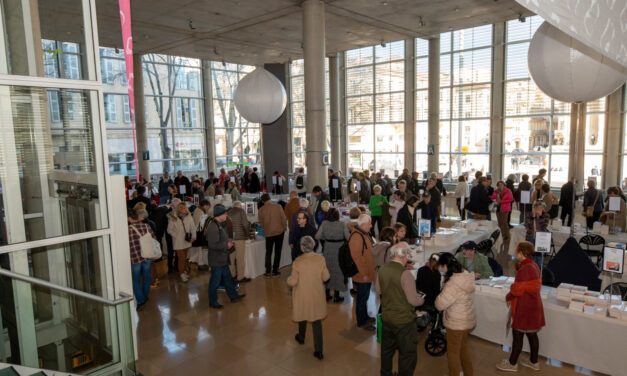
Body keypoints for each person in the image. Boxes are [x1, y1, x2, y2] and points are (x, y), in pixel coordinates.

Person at [376, 242, 425, 376]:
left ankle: (385, 373)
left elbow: (378, 290)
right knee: (407, 354)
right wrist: (422, 299)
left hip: (387, 317)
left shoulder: (382, 269)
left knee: (386, 351)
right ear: (404, 256)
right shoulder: (406, 274)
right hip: (404, 321)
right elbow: (413, 300)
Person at [496, 241, 545, 372]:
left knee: (517, 336)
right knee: (532, 335)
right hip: (533, 305)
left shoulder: (524, 269)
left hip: (524, 307)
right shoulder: (533, 265)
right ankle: (534, 362)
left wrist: (508, 296)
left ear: (522, 253)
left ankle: (512, 364)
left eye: (517, 250)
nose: (515, 253)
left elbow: (516, 290)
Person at [288, 236, 330, 360]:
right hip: (316, 295)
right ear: (313, 245)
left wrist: (288, 279)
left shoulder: (297, 262)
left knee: (302, 315)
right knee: (316, 322)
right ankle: (319, 351)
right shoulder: (320, 259)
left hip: (302, 296)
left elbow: (293, 282)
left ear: (302, 247)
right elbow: (326, 277)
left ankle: (301, 337)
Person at [435, 252, 476, 376]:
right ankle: (469, 373)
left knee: (453, 352)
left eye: (441, 266)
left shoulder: (453, 283)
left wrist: (437, 298)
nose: (440, 269)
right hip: (467, 319)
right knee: (463, 349)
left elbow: (440, 304)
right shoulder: (465, 275)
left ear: (446, 266)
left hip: (456, 323)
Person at [206, 204, 245, 309]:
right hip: (217, 259)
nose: (226, 215)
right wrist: (226, 245)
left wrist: (227, 241)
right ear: (219, 214)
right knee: (215, 282)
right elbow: (212, 245)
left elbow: (220, 239)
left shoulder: (219, 223)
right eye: (225, 213)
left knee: (228, 279)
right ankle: (213, 301)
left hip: (222, 258)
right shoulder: (213, 227)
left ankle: (233, 296)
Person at [316, 208, 350, 302]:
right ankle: (336, 295)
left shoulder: (324, 223)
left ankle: (327, 294)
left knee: (328, 269)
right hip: (339, 248)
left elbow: (317, 236)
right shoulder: (342, 224)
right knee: (338, 270)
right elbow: (348, 237)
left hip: (328, 248)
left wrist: (326, 238)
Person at [349, 214, 376, 330]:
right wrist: (364, 273)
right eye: (370, 224)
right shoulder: (356, 237)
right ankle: (362, 321)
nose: (371, 226)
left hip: (367, 273)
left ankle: (365, 316)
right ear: (364, 225)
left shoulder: (363, 233)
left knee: (364, 297)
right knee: (361, 298)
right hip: (362, 274)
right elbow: (357, 258)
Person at [127, 208, 157, 310]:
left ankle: (141, 299)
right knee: (146, 277)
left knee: (135, 280)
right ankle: (145, 295)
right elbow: (154, 239)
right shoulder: (146, 226)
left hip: (135, 258)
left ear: (129, 218)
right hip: (147, 256)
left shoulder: (128, 229)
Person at [258, 194, 287, 277]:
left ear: (263, 201)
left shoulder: (261, 210)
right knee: (278, 251)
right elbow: (283, 219)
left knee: (268, 252)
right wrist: (284, 228)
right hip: (279, 232)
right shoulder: (278, 206)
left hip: (268, 233)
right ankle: (275, 270)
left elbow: (261, 223)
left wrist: (266, 229)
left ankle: (267, 271)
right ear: (270, 199)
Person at [167, 202, 196, 282]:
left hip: (187, 240)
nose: (185, 209)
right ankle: (182, 274)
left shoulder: (189, 216)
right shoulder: (173, 218)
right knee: (181, 259)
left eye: (185, 208)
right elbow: (169, 230)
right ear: (179, 209)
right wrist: (176, 235)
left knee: (185, 258)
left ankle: (183, 272)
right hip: (178, 242)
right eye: (183, 208)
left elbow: (193, 227)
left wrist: (193, 236)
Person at [228, 201, 250, 282]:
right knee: (240, 258)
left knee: (231, 258)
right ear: (239, 205)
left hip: (230, 238)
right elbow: (245, 224)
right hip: (240, 237)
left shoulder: (228, 212)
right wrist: (247, 235)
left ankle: (232, 275)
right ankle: (240, 277)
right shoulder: (241, 211)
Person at [492, 180, 513, 251]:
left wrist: (501, 201)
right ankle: (502, 235)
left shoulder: (508, 191)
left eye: (501, 184)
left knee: (504, 222)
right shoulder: (496, 191)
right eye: (499, 185)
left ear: (504, 185)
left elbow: (510, 199)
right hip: (498, 208)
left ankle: (507, 235)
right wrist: (496, 196)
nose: (500, 186)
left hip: (505, 208)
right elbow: (493, 197)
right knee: (500, 222)